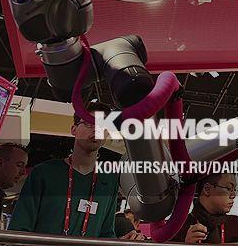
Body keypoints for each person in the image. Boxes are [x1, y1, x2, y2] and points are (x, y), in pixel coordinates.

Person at [10, 101, 140, 239]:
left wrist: (123, 241)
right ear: (74, 129)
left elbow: (106, 234)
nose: (96, 130)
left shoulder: (109, 181)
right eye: (89, 123)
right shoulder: (44, 173)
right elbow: (19, 229)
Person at [172, 173, 238, 244]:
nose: (233, 195)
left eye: (234, 190)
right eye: (229, 188)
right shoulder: (178, 227)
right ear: (207, 189)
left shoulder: (236, 223)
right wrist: (185, 244)